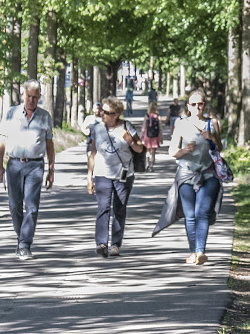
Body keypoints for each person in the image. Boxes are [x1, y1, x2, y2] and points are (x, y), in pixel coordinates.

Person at [152, 90, 222, 265]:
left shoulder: (212, 123)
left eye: (200, 104)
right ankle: (193, 252)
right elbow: (172, 151)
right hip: (186, 173)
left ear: (204, 105)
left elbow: (219, 148)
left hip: (208, 173)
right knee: (190, 215)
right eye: (193, 104)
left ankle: (200, 251)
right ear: (188, 106)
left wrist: (212, 138)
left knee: (202, 213)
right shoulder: (181, 124)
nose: (197, 107)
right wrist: (185, 150)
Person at [0, 79, 56, 260]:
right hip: (14, 164)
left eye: (35, 97)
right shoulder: (11, 113)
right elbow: (1, 139)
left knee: (31, 206)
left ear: (39, 98)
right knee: (15, 207)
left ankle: (24, 244)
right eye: (28, 96)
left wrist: (52, 169)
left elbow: (49, 144)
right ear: (23, 95)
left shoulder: (45, 117)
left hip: (35, 165)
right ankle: (22, 237)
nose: (31, 100)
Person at [86, 97, 143, 258]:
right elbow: (93, 153)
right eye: (102, 111)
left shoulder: (127, 127)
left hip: (123, 174)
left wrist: (130, 141)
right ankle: (101, 243)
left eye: (106, 112)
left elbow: (140, 149)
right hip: (102, 173)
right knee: (103, 207)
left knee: (120, 208)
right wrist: (89, 177)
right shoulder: (97, 128)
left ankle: (115, 244)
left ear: (116, 114)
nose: (102, 114)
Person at [142, 102, 163, 170]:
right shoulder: (158, 117)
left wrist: (141, 136)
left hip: (147, 136)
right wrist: (161, 138)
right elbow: (160, 128)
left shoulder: (147, 116)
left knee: (147, 151)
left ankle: (147, 163)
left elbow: (144, 127)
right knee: (153, 153)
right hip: (155, 136)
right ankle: (151, 166)